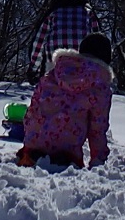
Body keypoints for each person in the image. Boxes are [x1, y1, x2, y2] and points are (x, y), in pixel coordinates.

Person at [17, 32, 115, 168]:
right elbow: (97, 128)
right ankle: (61, 159)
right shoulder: (100, 87)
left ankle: (32, 153)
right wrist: (98, 159)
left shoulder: (52, 74)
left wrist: (29, 136)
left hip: (34, 142)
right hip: (67, 150)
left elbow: (33, 109)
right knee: (67, 150)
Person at [27, 0, 103, 79]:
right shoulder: (87, 12)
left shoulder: (53, 13)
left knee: (54, 86)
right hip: (82, 61)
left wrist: (34, 69)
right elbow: (99, 41)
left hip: (55, 61)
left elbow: (38, 43)